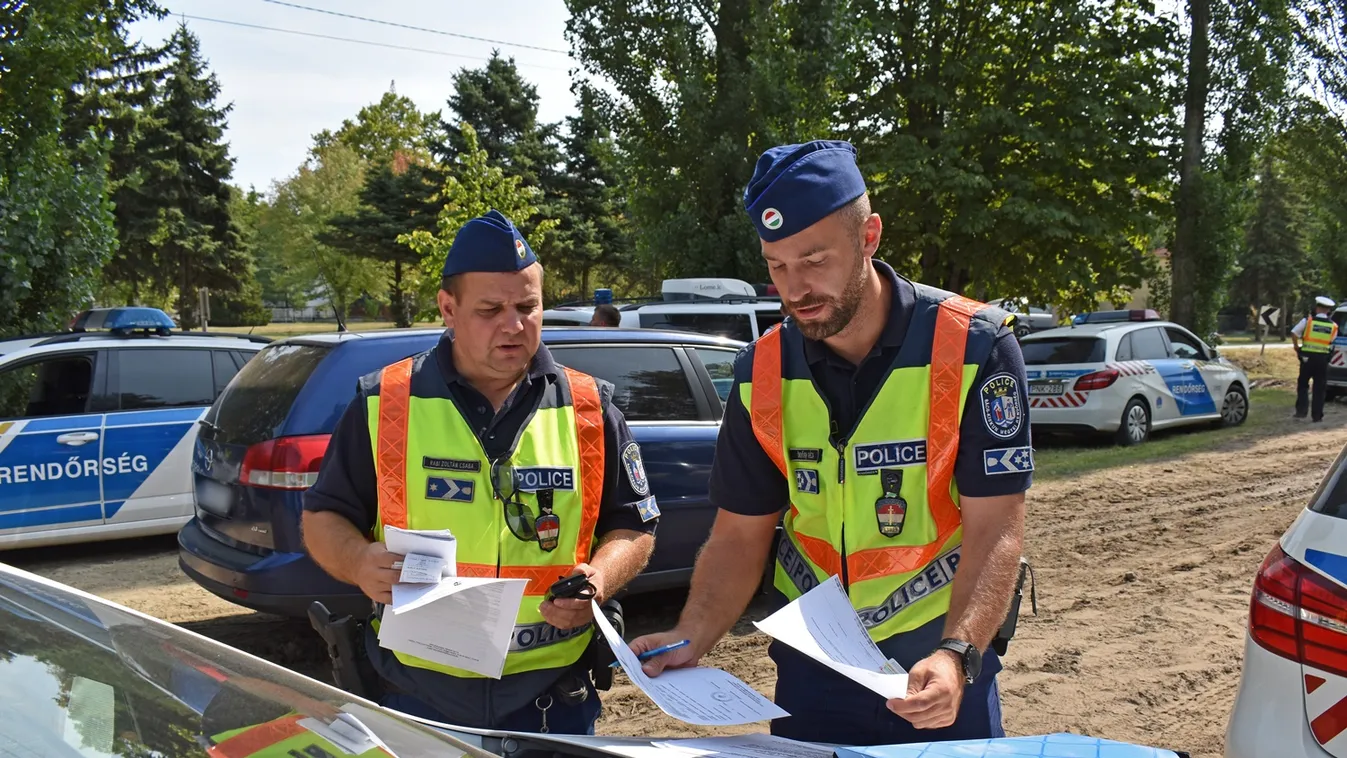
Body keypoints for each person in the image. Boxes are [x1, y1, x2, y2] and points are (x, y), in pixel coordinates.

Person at [629, 140, 1030, 746]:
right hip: (815, 665)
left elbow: (996, 528)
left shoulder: (974, 347)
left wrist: (958, 652)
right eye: (777, 265)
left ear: (869, 236)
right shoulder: (761, 369)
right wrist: (693, 633)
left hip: (934, 657)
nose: (796, 288)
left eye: (814, 259)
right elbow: (740, 532)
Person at [301, 209, 659, 736]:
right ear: (449, 308)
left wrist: (601, 578)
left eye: (527, 306)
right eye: (491, 309)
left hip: (552, 696)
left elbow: (635, 525)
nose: (513, 325)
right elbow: (322, 517)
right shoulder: (384, 402)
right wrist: (357, 561)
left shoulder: (588, 406)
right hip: (419, 694)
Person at [1290, 295, 1340, 422]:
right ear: (1328, 310)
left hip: (1307, 358)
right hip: (1322, 359)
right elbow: (1331, 342)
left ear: (1317, 308)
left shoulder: (1308, 321)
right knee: (1319, 388)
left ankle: (1301, 411)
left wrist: (1296, 347)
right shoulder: (1333, 326)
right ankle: (1317, 416)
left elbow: (1294, 333)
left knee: (1303, 384)